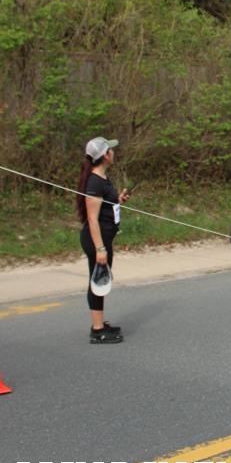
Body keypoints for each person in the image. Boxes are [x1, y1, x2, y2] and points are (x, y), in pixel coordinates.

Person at [77, 136, 131, 344]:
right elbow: (92, 219)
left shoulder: (102, 178)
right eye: (111, 149)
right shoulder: (94, 182)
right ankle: (97, 331)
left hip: (104, 239)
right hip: (96, 241)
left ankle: (99, 324)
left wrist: (118, 200)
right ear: (105, 156)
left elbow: (104, 206)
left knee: (101, 281)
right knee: (97, 282)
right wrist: (100, 249)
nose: (113, 152)